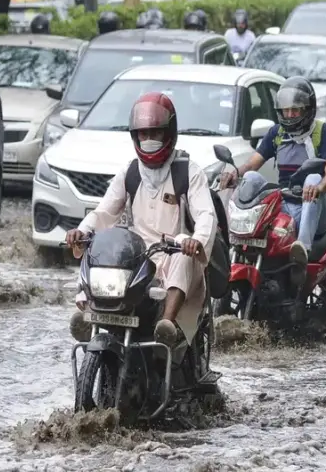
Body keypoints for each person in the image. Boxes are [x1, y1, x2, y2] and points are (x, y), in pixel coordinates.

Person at [65, 93, 217, 349]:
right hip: (138, 258)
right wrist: (82, 231)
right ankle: (88, 314)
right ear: (135, 136)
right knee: (97, 249)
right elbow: (103, 212)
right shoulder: (130, 172)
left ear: (168, 132)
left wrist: (196, 241)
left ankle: (166, 324)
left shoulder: (189, 171)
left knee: (182, 251)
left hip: (174, 255)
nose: (148, 140)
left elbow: (206, 215)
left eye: (155, 134)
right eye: (143, 134)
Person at [220, 76, 326, 276]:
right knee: (251, 177)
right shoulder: (277, 133)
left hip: (316, 208)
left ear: (308, 110)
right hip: (285, 205)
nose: (290, 115)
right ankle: (236, 241)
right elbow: (253, 162)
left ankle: (302, 250)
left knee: (312, 178)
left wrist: (319, 187)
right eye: (286, 110)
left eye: (295, 110)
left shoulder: (323, 132)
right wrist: (235, 173)